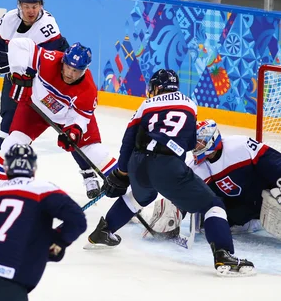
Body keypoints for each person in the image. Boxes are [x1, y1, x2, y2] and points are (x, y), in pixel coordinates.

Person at [85, 69, 255, 276]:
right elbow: (191, 143)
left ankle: (103, 232)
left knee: (140, 196)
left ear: (156, 87)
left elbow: (128, 140)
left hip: (138, 162)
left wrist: (121, 172)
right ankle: (224, 254)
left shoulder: (146, 105)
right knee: (213, 205)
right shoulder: (190, 104)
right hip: (167, 164)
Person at [149, 119, 281, 255]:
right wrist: (172, 210)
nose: (196, 148)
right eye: (195, 143)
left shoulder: (240, 146)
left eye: (200, 143)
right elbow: (185, 192)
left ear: (212, 140)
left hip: (263, 197)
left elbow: (274, 162)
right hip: (238, 217)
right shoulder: (196, 167)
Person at [0, 0, 103, 198]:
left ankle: (88, 173)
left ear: (41, 5)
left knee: (68, 128)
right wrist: (0, 64)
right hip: (20, 77)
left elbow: (48, 66)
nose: (32, 10)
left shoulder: (47, 27)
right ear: (19, 4)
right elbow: (4, 58)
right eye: (27, 5)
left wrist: (9, 64)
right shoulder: (5, 22)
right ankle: (3, 182)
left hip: (54, 79)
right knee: (7, 128)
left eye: (36, 5)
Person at [0, 144, 87, 301]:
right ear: (33, 167)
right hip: (6, 277)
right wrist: (57, 242)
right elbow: (77, 221)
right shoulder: (42, 189)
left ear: (6, 167)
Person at [0, 38, 118, 190]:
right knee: (10, 146)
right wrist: (17, 71)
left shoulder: (88, 90)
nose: (70, 73)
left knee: (97, 154)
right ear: (63, 61)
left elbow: (81, 118)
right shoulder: (49, 59)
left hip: (66, 116)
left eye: (76, 71)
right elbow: (19, 44)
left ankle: (129, 197)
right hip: (34, 108)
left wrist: (73, 132)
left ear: (85, 70)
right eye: (68, 67)